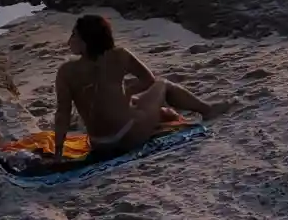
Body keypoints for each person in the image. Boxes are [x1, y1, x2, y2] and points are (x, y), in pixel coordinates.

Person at [53, 14, 225, 160]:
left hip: (99, 144)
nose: (70, 40)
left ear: (86, 41)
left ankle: (166, 115)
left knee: (138, 103)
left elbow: (63, 114)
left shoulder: (66, 71)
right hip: (127, 136)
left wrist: (58, 152)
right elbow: (149, 80)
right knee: (162, 84)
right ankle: (208, 110)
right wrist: (129, 91)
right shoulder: (119, 55)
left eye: (74, 35)